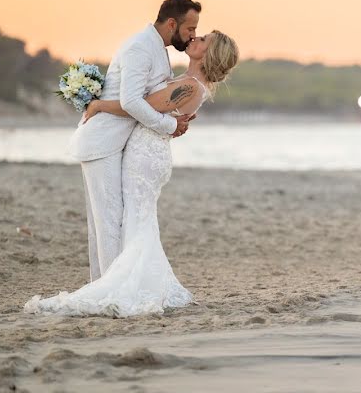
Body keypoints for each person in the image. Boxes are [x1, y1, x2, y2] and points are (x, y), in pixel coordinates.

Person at [24, 29, 239, 317]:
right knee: (135, 218)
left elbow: (140, 107)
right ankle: (130, 278)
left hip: (146, 157)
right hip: (144, 151)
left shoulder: (189, 86)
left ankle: (126, 284)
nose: (195, 39)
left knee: (137, 217)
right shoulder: (188, 83)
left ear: (209, 53)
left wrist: (99, 104)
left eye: (203, 40)